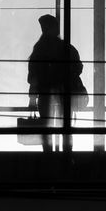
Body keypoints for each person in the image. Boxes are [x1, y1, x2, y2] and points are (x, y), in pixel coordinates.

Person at [26, 14, 84, 153]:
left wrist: (32, 98)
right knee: (66, 128)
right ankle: (67, 155)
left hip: (45, 94)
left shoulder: (39, 49)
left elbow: (33, 76)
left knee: (46, 128)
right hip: (65, 94)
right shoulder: (66, 48)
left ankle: (48, 156)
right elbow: (78, 68)